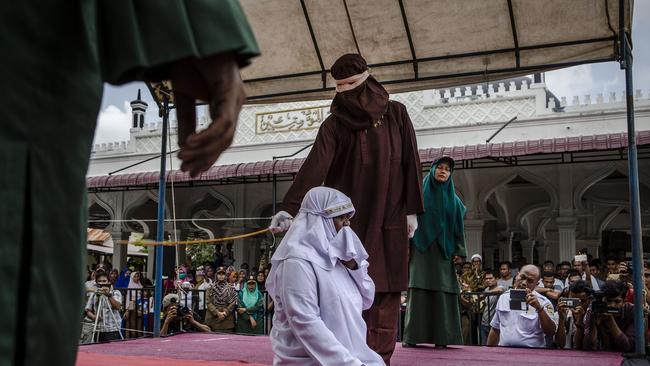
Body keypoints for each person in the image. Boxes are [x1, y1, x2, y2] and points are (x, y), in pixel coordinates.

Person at [269, 53, 424, 363]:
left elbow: (411, 160)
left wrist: (412, 210)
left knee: (386, 286)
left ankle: (380, 359)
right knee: (345, 286)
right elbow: (315, 165)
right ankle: (345, 356)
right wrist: (290, 207)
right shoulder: (335, 124)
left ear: (367, 79)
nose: (345, 93)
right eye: (339, 87)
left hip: (390, 213)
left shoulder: (396, 114)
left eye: (351, 84)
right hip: (345, 220)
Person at [266, 187, 384, 365]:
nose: (347, 224)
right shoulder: (296, 262)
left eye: (348, 218)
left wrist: (354, 266)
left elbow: (367, 299)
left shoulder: (339, 259)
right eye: (340, 217)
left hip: (352, 357)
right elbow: (305, 322)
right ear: (318, 220)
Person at [403, 156, 466, 347]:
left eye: (447, 169)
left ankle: (442, 338)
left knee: (442, 291)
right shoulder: (419, 194)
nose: (443, 171)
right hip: (421, 249)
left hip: (443, 252)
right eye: (440, 167)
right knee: (419, 288)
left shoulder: (454, 200)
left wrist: (459, 251)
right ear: (432, 170)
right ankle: (413, 337)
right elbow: (406, 218)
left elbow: (459, 226)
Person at [487, 265, 559, 348]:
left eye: (530, 281)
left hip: (532, 354)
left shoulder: (543, 302)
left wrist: (539, 309)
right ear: (517, 275)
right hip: (505, 353)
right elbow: (495, 329)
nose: (524, 283)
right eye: (522, 277)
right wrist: (488, 352)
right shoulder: (504, 298)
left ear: (537, 284)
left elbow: (550, 331)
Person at [583, 280, 636, 352]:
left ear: (624, 302)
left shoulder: (633, 311)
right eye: (608, 301)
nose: (612, 305)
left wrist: (610, 321)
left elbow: (627, 347)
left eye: (617, 301)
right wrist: (593, 323)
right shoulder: (596, 308)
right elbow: (588, 346)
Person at [84, 272, 123, 342]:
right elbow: (87, 310)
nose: (102, 283)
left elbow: (118, 307)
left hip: (113, 329)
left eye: (104, 281)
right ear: (96, 283)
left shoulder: (116, 292)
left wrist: (109, 295)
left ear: (108, 282)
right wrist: (94, 317)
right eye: (99, 281)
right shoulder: (94, 294)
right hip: (98, 329)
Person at [554, 280, 592, 349]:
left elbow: (584, 346)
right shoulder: (560, 313)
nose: (578, 305)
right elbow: (560, 344)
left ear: (589, 300)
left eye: (582, 301)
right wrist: (561, 319)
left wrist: (581, 319)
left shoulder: (593, 316)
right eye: (574, 301)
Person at [205, 267, 238, 333]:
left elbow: (233, 302)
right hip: (213, 318)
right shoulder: (210, 287)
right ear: (216, 275)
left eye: (223, 274)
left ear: (225, 276)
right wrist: (217, 313)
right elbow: (208, 302)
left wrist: (225, 313)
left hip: (227, 319)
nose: (221, 276)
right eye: (219, 274)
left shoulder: (230, 288)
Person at [479, 271, 505, 345]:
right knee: (484, 346)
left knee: (494, 346)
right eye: (486, 279)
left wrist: (484, 294)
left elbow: (499, 290)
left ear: (496, 279)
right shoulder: (486, 289)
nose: (488, 280)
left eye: (490, 278)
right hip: (484, 322)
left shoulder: (501, 287)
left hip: (494, 324)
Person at [124, 271, 144, 338]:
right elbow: (130, 297)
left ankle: (137, 335)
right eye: (135, 276)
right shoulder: (130, 285)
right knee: (131, 322)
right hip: (132, 306)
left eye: (138, 276)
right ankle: (131, 336)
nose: (137, 278)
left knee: (138, 322)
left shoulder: (140, 285)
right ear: (132, 277)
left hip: (140, 305)